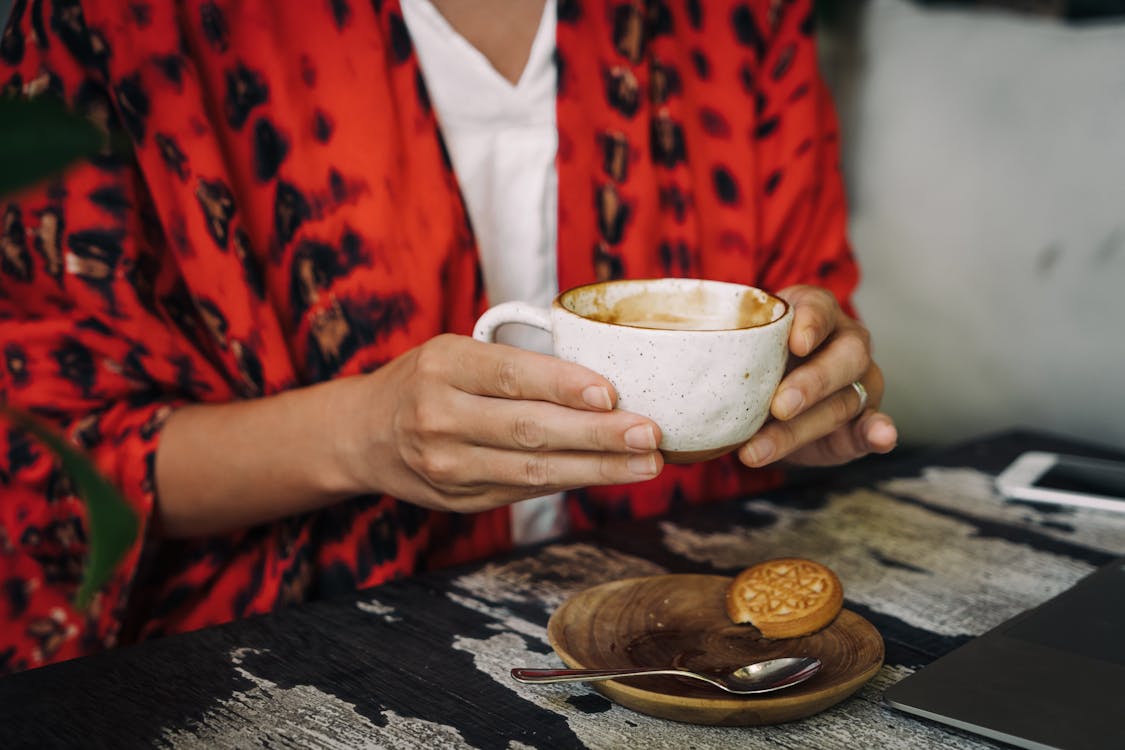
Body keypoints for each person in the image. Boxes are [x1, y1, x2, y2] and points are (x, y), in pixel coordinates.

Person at [0, 0, 896, 673]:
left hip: (665, 634)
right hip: (293, 657)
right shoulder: (130, 25)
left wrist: (806, 400)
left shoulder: (741, 20)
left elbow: (798, 318)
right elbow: (46, 471)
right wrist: (358, 435)